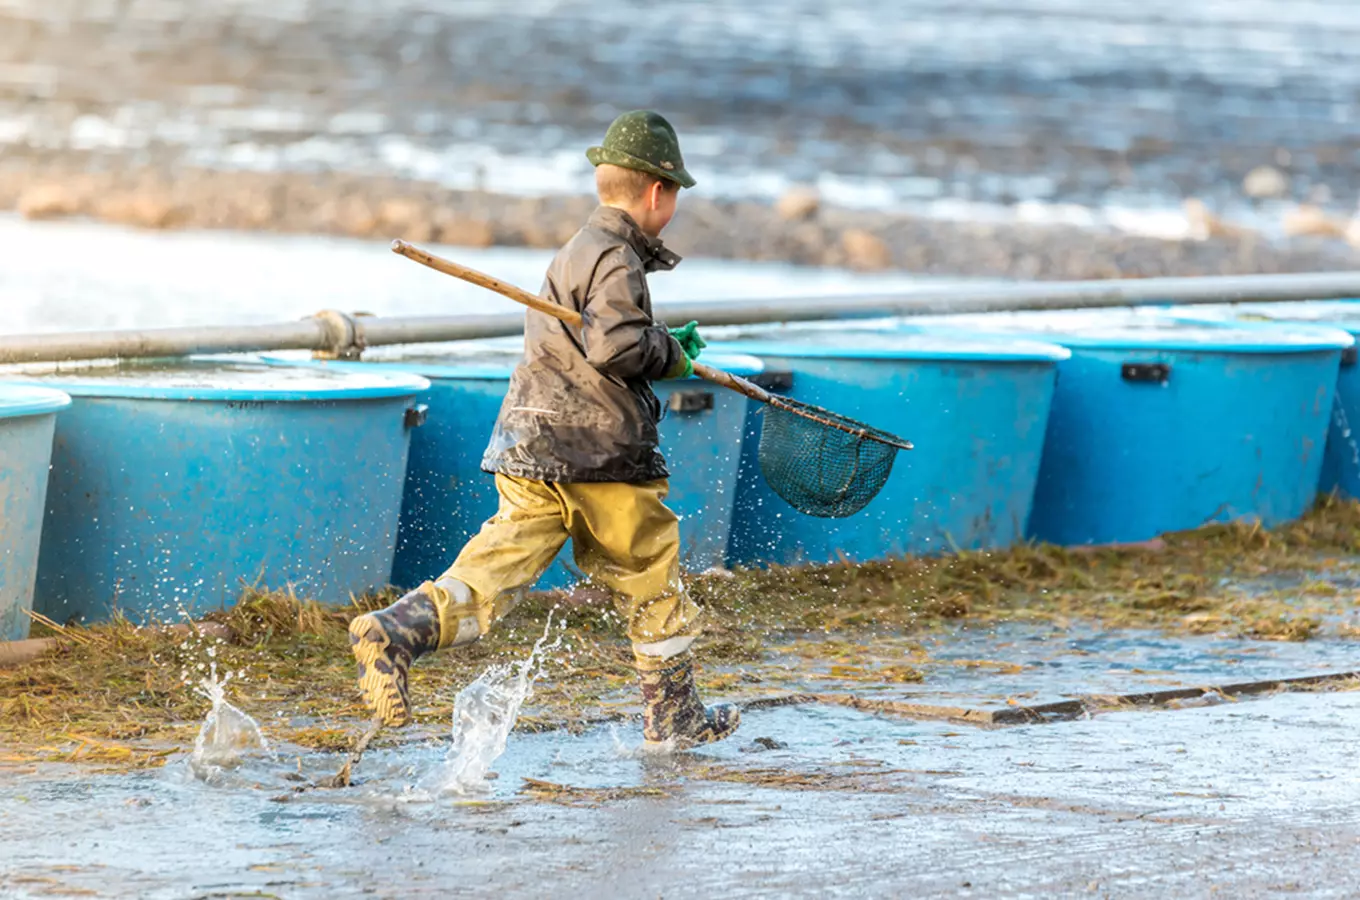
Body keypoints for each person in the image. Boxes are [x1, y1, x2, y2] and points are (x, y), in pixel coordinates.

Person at [349, 110, 739, 749]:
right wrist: (672, 355)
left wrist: (660, 339)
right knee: (650, 571)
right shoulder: (617, 258)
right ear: (656, 193)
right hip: (597, 451)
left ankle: (398, 631)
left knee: (494, 570)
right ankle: (674, 715)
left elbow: (600, 337)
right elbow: (615, 346)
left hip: (530, 443)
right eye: (675, 194)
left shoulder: (579, 249)